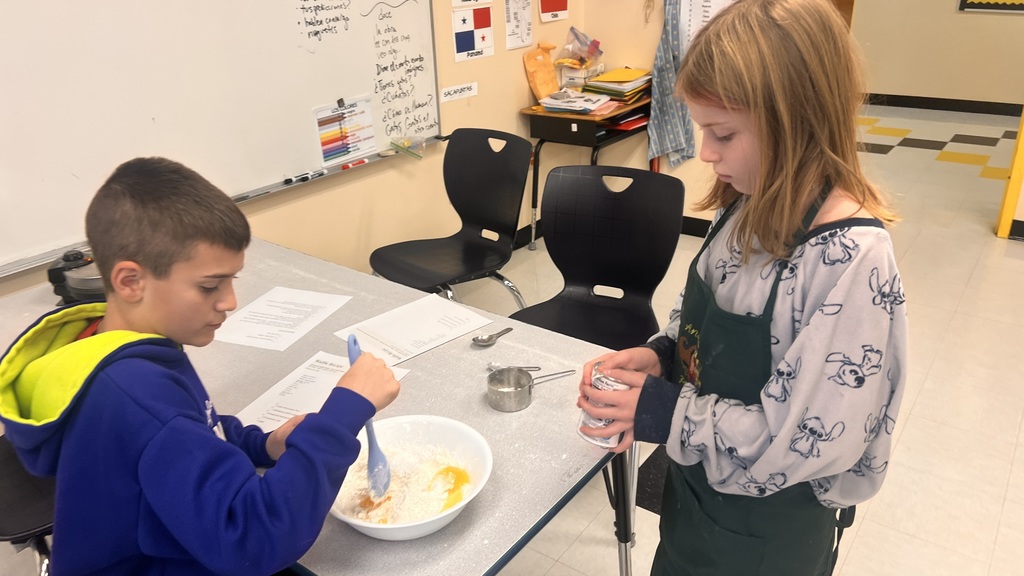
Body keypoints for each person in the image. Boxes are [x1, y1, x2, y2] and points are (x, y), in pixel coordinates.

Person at [576, 0, 907, 574]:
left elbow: (802, 441)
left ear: (797, 122)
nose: (706, 153)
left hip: (769, 539)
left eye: (723, 133)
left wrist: (666, 414)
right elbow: (700, 323)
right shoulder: (742, 206)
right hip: (696, 506)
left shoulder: (851, 260)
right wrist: (665, 357)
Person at [0, 157, 400, 575]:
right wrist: (343, 413)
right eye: (210, 286)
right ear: (131, 282)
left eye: (231, 281)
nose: (229, 301)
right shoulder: (137, 397)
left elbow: (194, 429)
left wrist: (261, 445)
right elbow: (254, 540)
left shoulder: (107, 346)